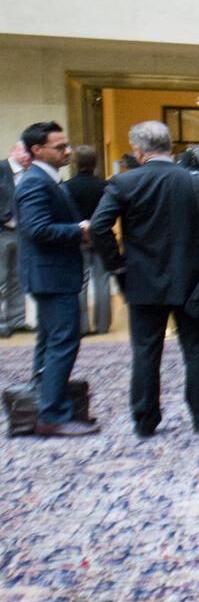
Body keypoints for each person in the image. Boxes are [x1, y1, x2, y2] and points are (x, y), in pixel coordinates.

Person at [90, 121, 199, 437]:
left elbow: (100, 227)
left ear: (138, 151)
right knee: (196, 347)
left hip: (143, 278)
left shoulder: (123, 183)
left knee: (145, 350)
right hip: (193, 276)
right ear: (170, 146)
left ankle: (145, 419)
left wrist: (118, 265)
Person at [14, 122, 97, 437]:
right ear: (37, 150)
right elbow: (36, 230)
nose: (68, 151)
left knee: (50, 342)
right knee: (63, 342)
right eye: (60, 147)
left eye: (67, 145)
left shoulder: (47, 179)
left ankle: (45, 404)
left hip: (51, 274)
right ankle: (53, 415)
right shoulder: (35, 182)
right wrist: (80, 230)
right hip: (51, 276)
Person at [64, 145, 112, 335]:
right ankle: (103, 325)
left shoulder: (67, 186)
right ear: (95, 163)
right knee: (103, 280)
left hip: (76, 237)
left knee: (80, 282)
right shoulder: (105, 186)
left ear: (75, 163)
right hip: (101, 236)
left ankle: (82, 325)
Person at [2, 140, 33, 337]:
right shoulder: (1, 168)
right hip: (1, 231)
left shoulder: (30, 173)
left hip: (22, 232)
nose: (25, 155)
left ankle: (17, 319)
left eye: (28, 152)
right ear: (13, 150)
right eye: (22, 151)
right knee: (1, 277)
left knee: (17, 277)